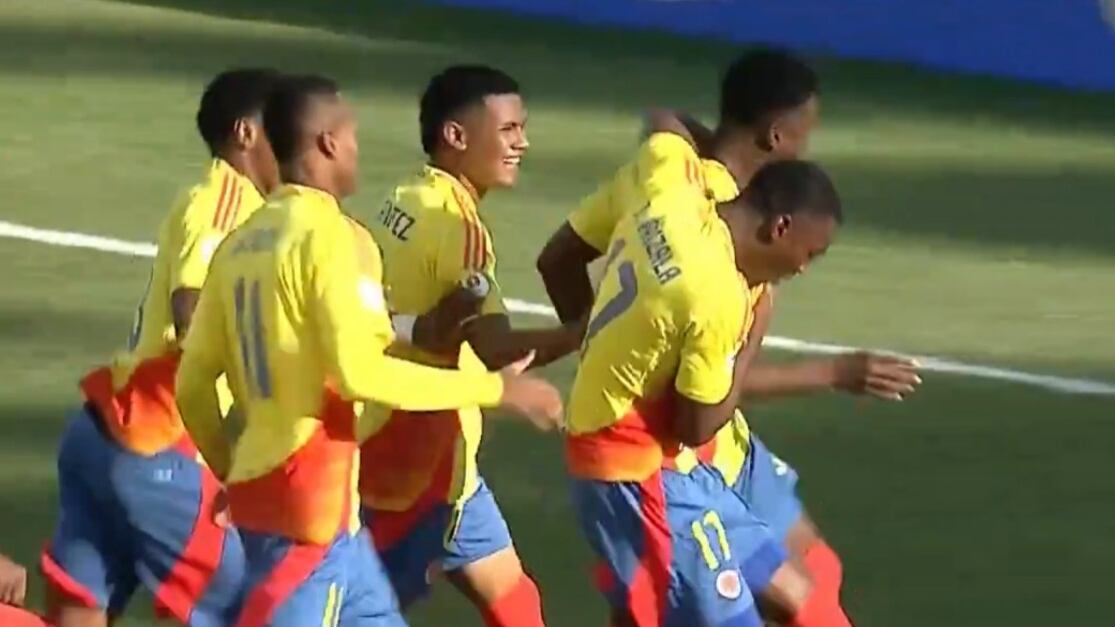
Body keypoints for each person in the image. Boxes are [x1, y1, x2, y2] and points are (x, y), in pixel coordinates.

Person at [537, 49, 919, 617]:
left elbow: (660, 121)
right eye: (803, 135)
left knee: (804, 586)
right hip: (654, 463)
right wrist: (791, 343)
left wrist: (607, 345)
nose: (803, 268)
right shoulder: (723, 285)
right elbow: (695, 418)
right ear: (776, 135)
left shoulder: (672, 176)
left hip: (694, 451)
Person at [175, 73, 563, 627]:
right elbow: (361, 372)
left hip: (309, 507)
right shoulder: (335, 237)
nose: (359, 147)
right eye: (352, 134)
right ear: (328, 143)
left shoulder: (240, 243)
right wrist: (496, 389)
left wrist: (233, 471)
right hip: (309, 505)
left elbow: (193, 385)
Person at [40, 68, 283, 627]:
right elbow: (191, 311)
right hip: (161, 447)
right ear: (246, 133)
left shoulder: (234, 206)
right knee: (255, 610)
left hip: (100, 435)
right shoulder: (228, 203)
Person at [565, 160, 845, 626]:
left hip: (668, 465)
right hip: (638, 476)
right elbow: (696, 425)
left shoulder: (675, 202)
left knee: (803, 600)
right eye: (808, 254)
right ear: (780, 227)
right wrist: (754, 328)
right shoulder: (717, 295)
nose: (800, 268)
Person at [359, 64, 581, 627]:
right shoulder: (459, 227)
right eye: (508, 130)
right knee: (363, 612)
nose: (522, 143)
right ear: (455, 136)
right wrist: (591, 329)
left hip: (447, 459)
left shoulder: (404, 197)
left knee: (516, 601)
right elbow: (497, 351)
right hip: (409, 461)